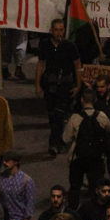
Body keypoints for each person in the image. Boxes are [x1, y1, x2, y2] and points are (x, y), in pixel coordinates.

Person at [37, 19, 82, 158]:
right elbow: (40, 65)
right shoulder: (45, 44)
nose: (59, 32)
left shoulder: (70, 45)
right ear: (51, 31)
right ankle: (60, 141)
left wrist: (78, 85)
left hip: (65, 85)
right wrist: (37, 85)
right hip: (49, 84)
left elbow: (77, 66)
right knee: (52, 116)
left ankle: (54, 144)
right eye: (56, 30)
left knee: (59, 114)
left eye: (61, 29)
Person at [62, 89, 110, 208]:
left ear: (82, 100)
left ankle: (73, 212)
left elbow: (66, 138)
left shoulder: (75, 117)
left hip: (78, 157)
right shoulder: (101, 116)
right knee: (95, 187)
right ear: (95, 100)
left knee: (75, 187)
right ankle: (95, 211)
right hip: (97, 157)